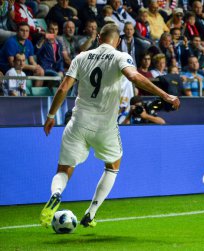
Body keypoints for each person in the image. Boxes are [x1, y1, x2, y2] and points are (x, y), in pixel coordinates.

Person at [39, 23, 180, 228]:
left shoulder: (81, 57)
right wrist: (165, 95)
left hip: (77, 121)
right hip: (104, 125)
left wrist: (51, 115)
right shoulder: (120, 56)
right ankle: (91, 213)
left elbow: (63, 88)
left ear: (98, 39)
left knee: (64, 169)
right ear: (119, 41)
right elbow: (134, 77)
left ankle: (56, 194)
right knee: (113, 166)